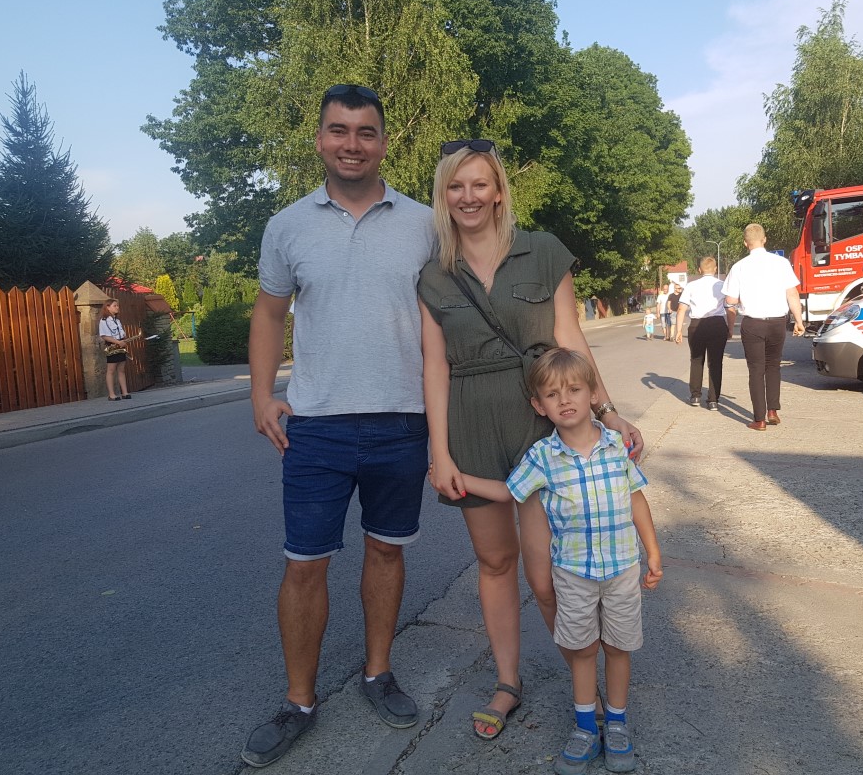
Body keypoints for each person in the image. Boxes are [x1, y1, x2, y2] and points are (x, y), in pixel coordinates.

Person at [417, 139, 643, 741]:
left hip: (542, 424)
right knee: (495, 562)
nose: (468, 197)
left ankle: (584, 686)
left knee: (547, 577)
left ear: (498, 192)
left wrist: (607, 411)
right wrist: (440, 451)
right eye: (456, 186)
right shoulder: (434, 275)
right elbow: (434, 365)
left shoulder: (542, 251)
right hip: (470, 425)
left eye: (479, 184)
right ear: (444, 195)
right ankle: (508, 682)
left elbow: (569, 335)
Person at [244, 84, 437, 768]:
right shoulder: (287, 225)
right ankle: (299, 701)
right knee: (304, 565)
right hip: (317, 425)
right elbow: (270, 312)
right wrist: (261, 396)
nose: (351, 144)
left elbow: (448, 317)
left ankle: (377, 673)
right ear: (320, 138)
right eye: (338, 130)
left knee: (386, 552)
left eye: (365, 132)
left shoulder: (425, 223)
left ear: (384, 142)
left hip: (402, 420)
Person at [457, 348, 663, 775]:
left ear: (593, 395)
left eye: (574, 389)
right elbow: (508, 491)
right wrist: (459, 479)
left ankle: (617, 723)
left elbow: (636, 499)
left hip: (622, 569)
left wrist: (653, 551)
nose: (565, 399)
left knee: (618, 648)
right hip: (573, 574)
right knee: (582, 650)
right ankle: (586, 727)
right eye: (552, 394)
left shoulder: (616, 447)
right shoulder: (541, 457)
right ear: (539, 406)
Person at [721, 223, 805, 430]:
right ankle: (773, 411)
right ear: (765, 239)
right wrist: (799, 321)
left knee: (756, 370)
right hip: (777, 322)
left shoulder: (739, 267)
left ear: (745, 243)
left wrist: (732, 320)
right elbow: (792, 293)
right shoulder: (781, 263)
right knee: (773, 366)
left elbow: (731, 301)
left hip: (753, 323)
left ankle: (759, 420)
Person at [674, 257, 736, 410]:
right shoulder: (722, 286)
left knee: (696, 360)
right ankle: (713, 400)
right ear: (715, 269)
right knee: (715, 362)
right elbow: (730, 309)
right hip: (717, 324)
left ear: (699, 270)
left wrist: (678, 330)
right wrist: (730, 328)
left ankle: (695, 396)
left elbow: (681, 308)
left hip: (697, 325)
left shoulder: (691, 286)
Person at [97, 299, 131, 401]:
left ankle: (125, 392)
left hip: (120, 345)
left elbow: (121, 333)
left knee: (121, 370)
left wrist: (123, 340)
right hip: (112, 346)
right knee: (111, 370)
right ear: (108, 307)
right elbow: (104, 336)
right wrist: (117, 342)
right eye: (114, 306)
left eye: (117, 305)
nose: (117, 307)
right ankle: (112, 394)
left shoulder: (117, 320)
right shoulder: (104, 320)